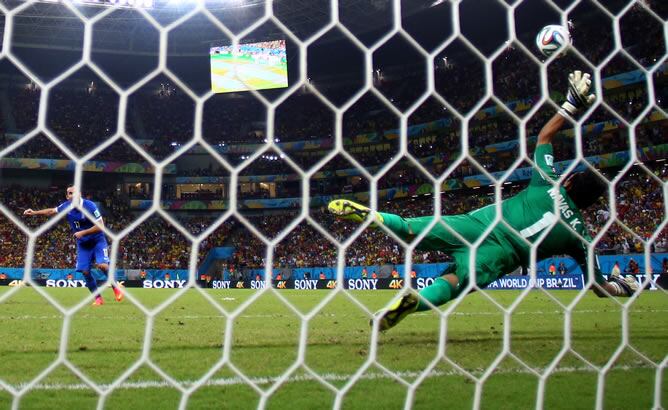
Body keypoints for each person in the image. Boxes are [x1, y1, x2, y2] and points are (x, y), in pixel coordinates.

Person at [328, 71, 639, 331]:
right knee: (454, 280)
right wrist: (621, 288)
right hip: (500, 254)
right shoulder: (581, 237)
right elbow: (597, 288)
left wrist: (571, 105)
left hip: (480, 223)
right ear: (590, 204)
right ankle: (415, 301)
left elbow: (544, 137)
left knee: (410, 230)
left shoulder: (548, 182)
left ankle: (374, 217)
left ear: (569, 181)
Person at [23, 186, 123, 305]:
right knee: (85, 272)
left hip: (97, 240)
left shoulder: (90, 206)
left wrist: (83, 232)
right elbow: (51, 211)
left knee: (102, 265)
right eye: (70, 193)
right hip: (83, 244)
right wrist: (34, 212)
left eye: (74, 193)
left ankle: (116, 287)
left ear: (80, 194)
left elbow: (101, 225)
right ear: (67, 196)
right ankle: (98, 298)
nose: (72, 195)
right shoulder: (66, 207)